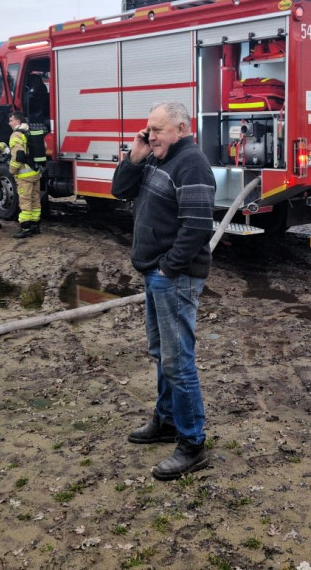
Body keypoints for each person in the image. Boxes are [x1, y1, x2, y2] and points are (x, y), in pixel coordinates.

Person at [111, 100, 216, 481]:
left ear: (182, 129)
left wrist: (168, 268)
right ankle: (167, 421)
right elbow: (119, 190)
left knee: (178, 361)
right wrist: (136, 156)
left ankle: (192, 444)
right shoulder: (157, 157)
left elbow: (199, 226)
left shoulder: (191, 163)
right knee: (161, 353)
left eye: (157, 129)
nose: (150, 135)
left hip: (175, 277)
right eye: (148, 129)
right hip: (156, 274)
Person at [8, 112, 42, 239]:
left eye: (11, 120)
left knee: (25, 201)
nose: (9, 123)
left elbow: (18, 155)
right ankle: (35, 225)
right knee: (35, 200)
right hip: (35, 172)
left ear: (17, 121)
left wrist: (12, 170)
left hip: (24, 175)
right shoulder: (30, 132)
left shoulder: (16, 134)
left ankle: (25, 228)